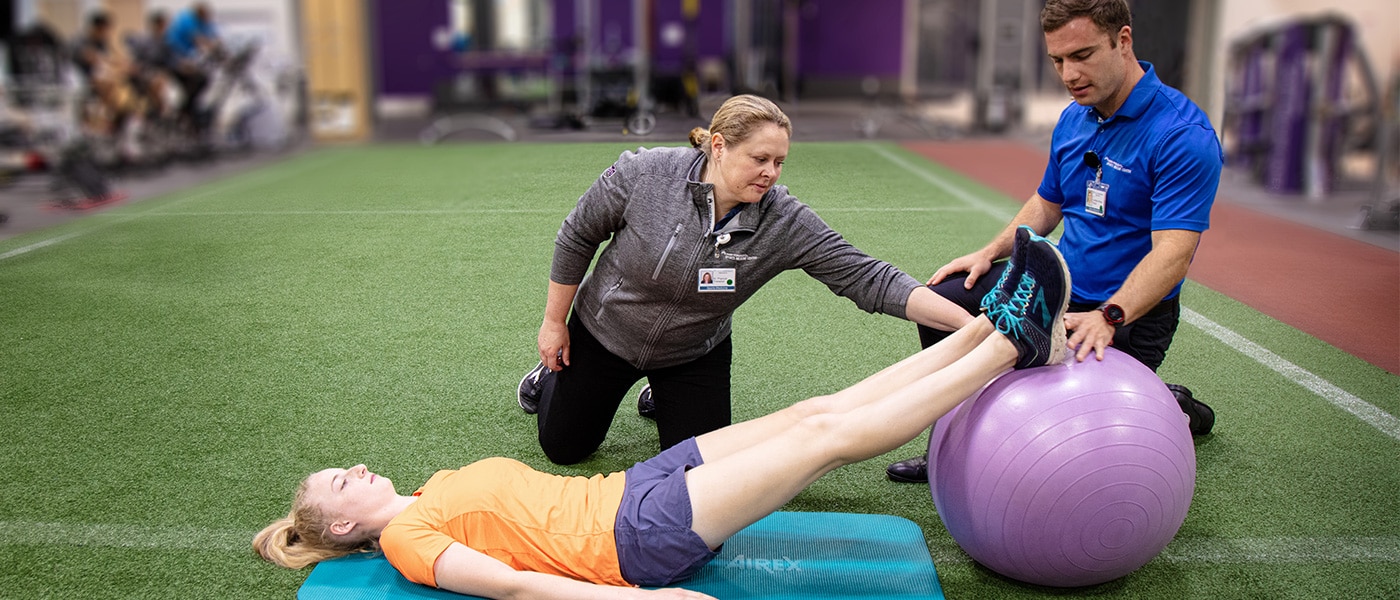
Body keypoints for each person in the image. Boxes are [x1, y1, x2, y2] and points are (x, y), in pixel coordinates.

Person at [254, 231, 1072, 597]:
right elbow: (510, 589)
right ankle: (1011, 348)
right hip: (637, 542)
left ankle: (983, 334)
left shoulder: (430, 491)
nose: (355, 468)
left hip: (639, 485)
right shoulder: (406, 541)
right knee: (826, 441)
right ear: (346, 529)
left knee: (808, 411)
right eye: (341, 482)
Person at [518, 94, 973, 465]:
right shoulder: (645, 172)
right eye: (760, 158)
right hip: (605, 332)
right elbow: (578, 234)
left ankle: (662, 392)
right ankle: (550, 380)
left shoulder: (783, 220)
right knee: (565, 449)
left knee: (700, 475)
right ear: (718, 146)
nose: (770, 174)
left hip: (692, 353)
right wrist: (554, 323)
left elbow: (868, 277)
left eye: (779, 162)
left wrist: (974, 328)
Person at [886, 0, 1221, 485]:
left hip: (1125, 314)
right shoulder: (1075, 118)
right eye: (1058, 61)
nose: (1069, 73)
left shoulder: (1181, 135)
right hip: (1055, 287)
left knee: (1086, 428)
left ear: (1122, 41)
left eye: (1082, 55)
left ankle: (1172, 404)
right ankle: (951, 443)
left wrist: (1108, 317)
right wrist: (990, 252)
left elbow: (1174, 253)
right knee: (944, 299)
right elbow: (1047, 203)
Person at [163, 3, 221, 134]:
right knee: (195, 80)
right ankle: (183, 112)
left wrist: (221, 49)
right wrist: (211, 47)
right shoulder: (186, 20)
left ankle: (190, 112)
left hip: (189, 59)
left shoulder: (205, 22)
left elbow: (215, 37)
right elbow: (199, 40)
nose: (207, 19)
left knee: (203, 81)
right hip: (174, 56)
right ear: (198, 14)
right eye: (205, 16)